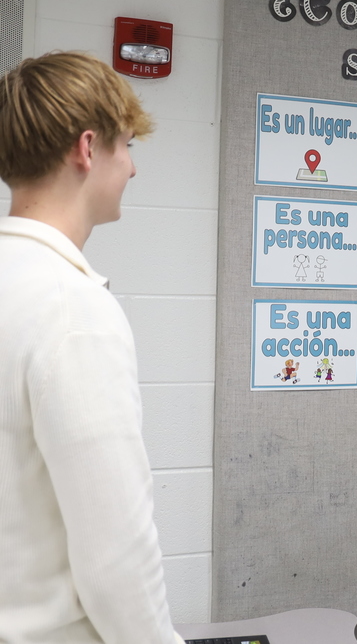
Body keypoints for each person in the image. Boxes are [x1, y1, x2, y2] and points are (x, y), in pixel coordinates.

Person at [0, 52, 184, 643]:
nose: (132, 168)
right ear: (87, 148)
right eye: (126, 145)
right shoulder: (73, 309)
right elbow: (116, 566)